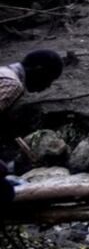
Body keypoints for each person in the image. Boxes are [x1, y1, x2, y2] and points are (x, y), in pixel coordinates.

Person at [1, 50, 64, 205]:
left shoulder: (4, 73)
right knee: (5, 192)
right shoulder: (12, 84)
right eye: (50, 79)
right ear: (38, 70)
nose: (48, 86)